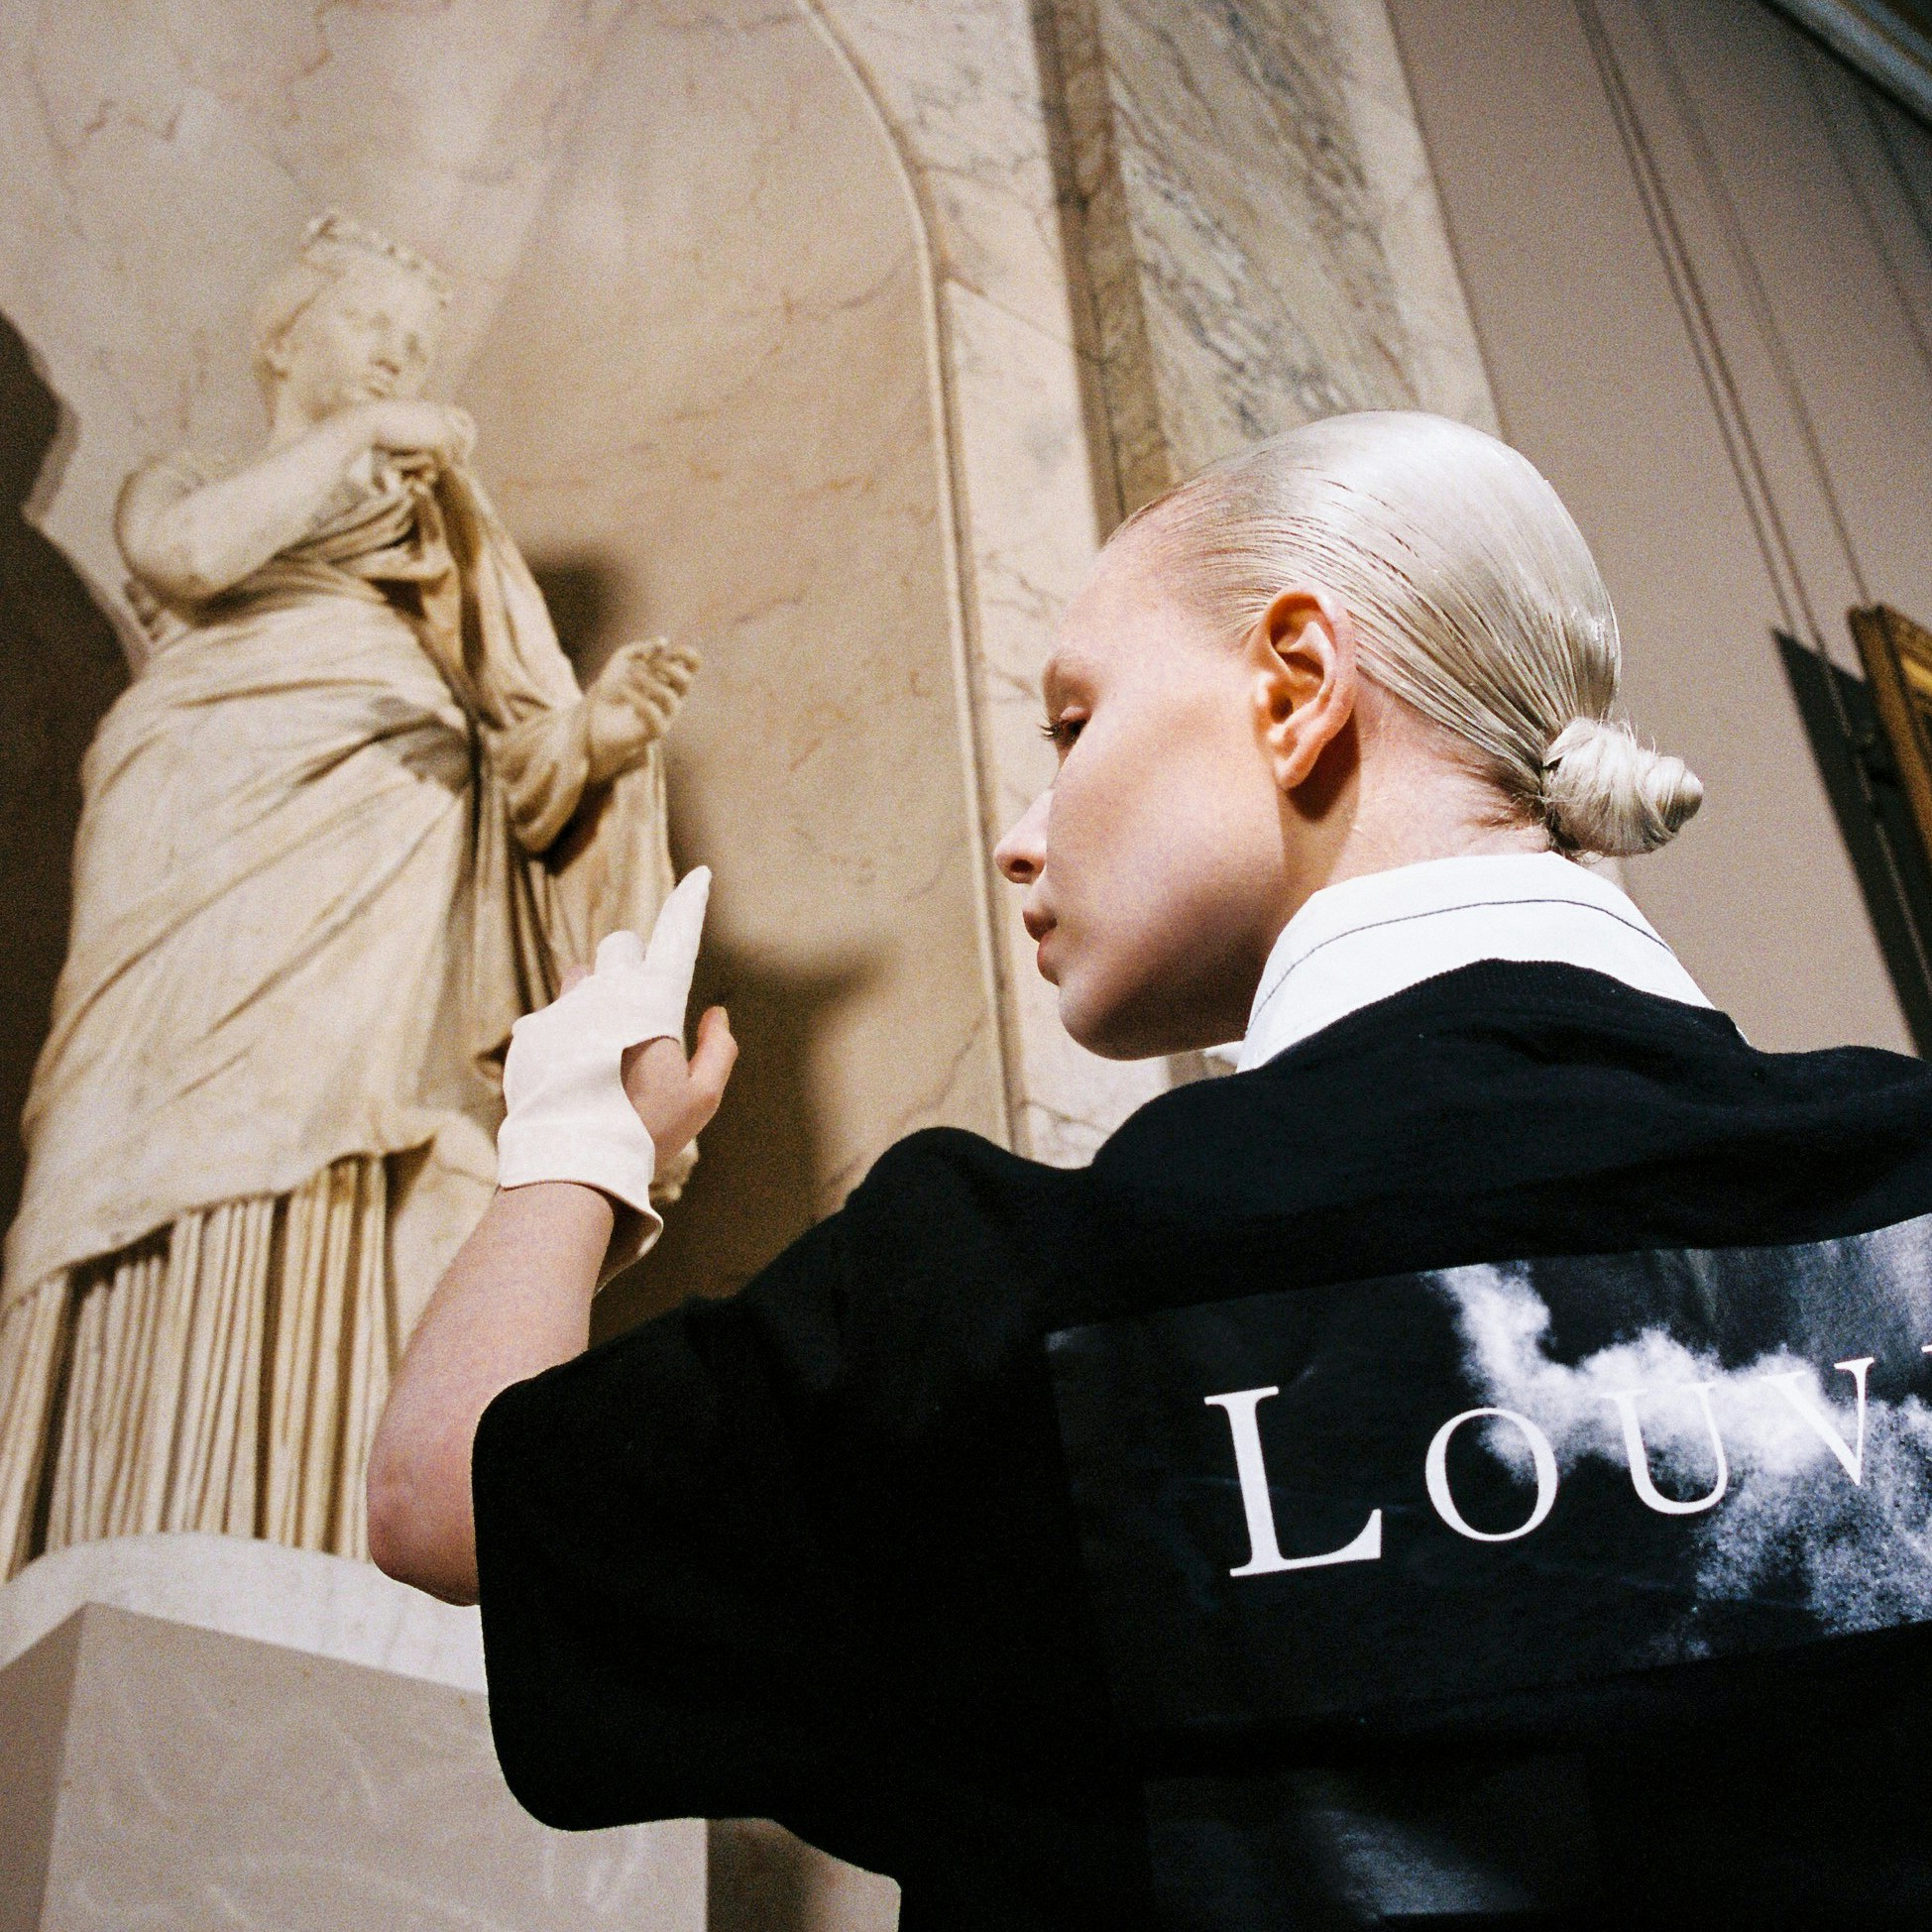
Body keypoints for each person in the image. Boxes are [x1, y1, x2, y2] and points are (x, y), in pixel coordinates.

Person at [369, 410, 1932, 1929]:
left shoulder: (991, 1296)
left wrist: (574, 1137)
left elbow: (446, 1498)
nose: (1021, 835)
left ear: (1297, 685)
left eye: (1072, 722)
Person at [0, 213, 698, 1573]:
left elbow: (524, 744)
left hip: (392, 817)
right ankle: (120, 1506)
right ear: (283, 336)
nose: (397, 356)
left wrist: (597, 736)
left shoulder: (441, 526)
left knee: (355, 1129)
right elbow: (190, 556)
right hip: (190, 801)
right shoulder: (187, 478)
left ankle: (317, 1520)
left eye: (417, 346)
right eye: (371, 323)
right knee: (138, 1130)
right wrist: (371, 433)